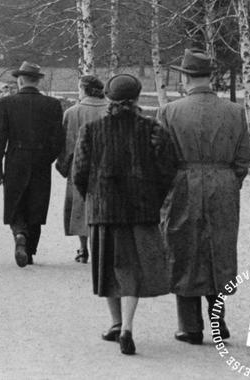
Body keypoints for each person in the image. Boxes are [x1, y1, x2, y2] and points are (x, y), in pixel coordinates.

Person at [72, 74, 177, 355]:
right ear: (137, 97)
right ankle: (128, 327)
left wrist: (91, 197)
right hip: (141, 210)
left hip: (104, 210)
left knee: (107, 268)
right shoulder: (152, 128)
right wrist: (155, 198)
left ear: (108, 98)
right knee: (132, 268)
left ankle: (116, 323)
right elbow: (167, 168)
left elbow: (79, 172)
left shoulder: (92, 129)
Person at [157, 49, 250, 346]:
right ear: (210, 77)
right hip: (222, 184)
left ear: (185, 77)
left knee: (182, 248)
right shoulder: (235, 111)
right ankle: (217, 319)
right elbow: (243, 159)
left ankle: (190, 326)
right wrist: (229, 181)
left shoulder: (169, 112)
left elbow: (160, 159)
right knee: (219, 249)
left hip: (183, 181)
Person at [0, 61, 64, 267]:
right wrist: (46, 158)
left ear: (20, 80)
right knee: (37, 203)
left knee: (16, 201)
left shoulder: (6, 104)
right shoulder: (53, 105)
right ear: (37, 81)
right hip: (41, 160)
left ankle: (19, 233)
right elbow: (58, 140)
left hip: (16, 158)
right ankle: (30, 250)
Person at [55, 74, 108, 264]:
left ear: (84, 89)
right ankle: (101, 248)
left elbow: (68, 144)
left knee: (80, 207)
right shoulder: (111, 109)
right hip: (107, 168)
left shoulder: (72, 112)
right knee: (104, 208)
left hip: (80, 167)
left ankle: (83, 249)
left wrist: (63, 165)